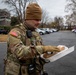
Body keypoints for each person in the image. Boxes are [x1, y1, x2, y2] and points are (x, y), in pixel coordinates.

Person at [4, 3, 64, 75]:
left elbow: (39, 54)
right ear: (28, 18)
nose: (39, 22)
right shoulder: (16, 32)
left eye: (40, 20)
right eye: (36, 19)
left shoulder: (36, 33)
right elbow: (20, 53)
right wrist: (44, 49)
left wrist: (47, 56)